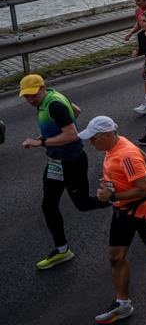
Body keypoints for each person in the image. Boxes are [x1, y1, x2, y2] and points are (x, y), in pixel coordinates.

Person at [19, 74, 111, 270]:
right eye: (26, 96)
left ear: (42, 88)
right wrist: (50, 134)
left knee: (84, 204)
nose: (29, 100)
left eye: (32, 95)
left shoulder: (54, 104)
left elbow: (71, 135)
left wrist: (41, 142)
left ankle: (124, 200)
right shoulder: (52, 97)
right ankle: (62, 250)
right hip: (56, 163)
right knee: (48, 205)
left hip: (72, 162)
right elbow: (76, 111)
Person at [79, 116, 146, 324]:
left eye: (94, 138)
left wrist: (113, 195)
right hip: (122, 211)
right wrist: (113, 184)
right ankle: (123, 304)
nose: (91, 143)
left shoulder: (125, 154)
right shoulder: (114, 146)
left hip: (142, 211)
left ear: (108, 135)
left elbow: (145, 188)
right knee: (115, 257)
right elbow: (143, 156)